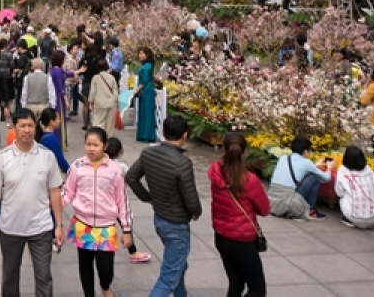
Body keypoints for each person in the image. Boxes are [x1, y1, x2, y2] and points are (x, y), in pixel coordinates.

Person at [0, 108, 65, 297]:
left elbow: (55, 191)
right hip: (10, 228)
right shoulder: (2, 158)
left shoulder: (47, 156)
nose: (27, 130)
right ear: (14, 128)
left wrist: (59, 225)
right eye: (23, 126)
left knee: (44, 276)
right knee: (10, 277)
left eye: (30, 125)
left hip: (41, 228)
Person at [126, 115, 202, 297]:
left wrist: (148, 198)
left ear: (162, 131)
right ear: (185, 135)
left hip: (160, 218)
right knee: (169, 277)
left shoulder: (148, 153)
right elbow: (191, 198)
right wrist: (196, 212)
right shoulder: (182, 163)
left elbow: (131, 177)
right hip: (177, 224)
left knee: (179, 266)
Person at [62, 127, 134, 297]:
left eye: (96, 144)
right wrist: (53, 207)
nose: (91, 148)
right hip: (83, 224)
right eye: (88, 144)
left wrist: (127, 229)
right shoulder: (77, 167)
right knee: (85, 266)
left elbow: (122, 200)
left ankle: (105, 286)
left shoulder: (114, 170)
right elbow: (68, 193)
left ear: (105, 145)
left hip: (106, 227)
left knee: (105, 268)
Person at [208, 132, 270, 297]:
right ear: (245, 151)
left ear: (224, 149)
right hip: (243, 241)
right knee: (257, 289)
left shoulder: (216, 174)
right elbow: (264, 210)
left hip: (221, 236)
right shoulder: (250, 180)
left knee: (236, 283)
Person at [104, 137, 152, 264]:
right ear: (120, 152)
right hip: (119, 203)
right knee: (126, 227)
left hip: (104, 203)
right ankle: (133, 252)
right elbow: (132, 180)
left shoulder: (99, 165)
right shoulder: (122, 167)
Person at [267, 136, 332, 221]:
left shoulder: (283, 158)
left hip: (271, 202)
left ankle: (309, 209)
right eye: (310, 151)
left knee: (309, 175)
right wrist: (330, 167)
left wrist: (315, 166)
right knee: (314, 177)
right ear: (305, 151)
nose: (310, 153)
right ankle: (311, 210)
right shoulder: (306, 163)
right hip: (287, 201)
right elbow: (327, 178)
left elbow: (298, 169)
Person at [334, 145, 374, 229]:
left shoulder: (343, 170)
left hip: (353, 216)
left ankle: (349, 219)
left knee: (343, 196)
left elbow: (339, 192)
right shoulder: (369, 170)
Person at [88, 57, 119, 138]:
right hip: (110, 103)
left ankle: (98, 138)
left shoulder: (96, 78)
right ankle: (108, 139)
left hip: (99, 103)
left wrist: (90, 102)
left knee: (98, 122)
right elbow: (115, 90)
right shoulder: (111, 77)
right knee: (109, 125)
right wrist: (115, 100)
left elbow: (93, 91)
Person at [134, 48, 157, 143]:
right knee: (143, 112)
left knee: (147, 112)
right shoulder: (146, 65)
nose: (140, 55)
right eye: (139, 53)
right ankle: (143, 134)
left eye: (141, 53)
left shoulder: (147, 66)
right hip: (145, 90)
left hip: (147, 90)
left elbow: (145, 80)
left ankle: (147, 135)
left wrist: (137, 90)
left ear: (147, 55)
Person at [36, 108, 68, 174]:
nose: (60, 121)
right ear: (52, 122)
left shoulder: (43, 135)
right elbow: (61, 161)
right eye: (58, 118)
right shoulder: (51, 140)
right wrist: (71, 171)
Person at [48, 50, 69, 150]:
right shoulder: (59, 71)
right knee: (60, 118)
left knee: (54, 118)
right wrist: (66, 99)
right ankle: (60, 141)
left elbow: (66, 74)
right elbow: (61, 86)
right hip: (59, 97)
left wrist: (78, 71)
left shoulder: (53, 70)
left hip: (53, 96)